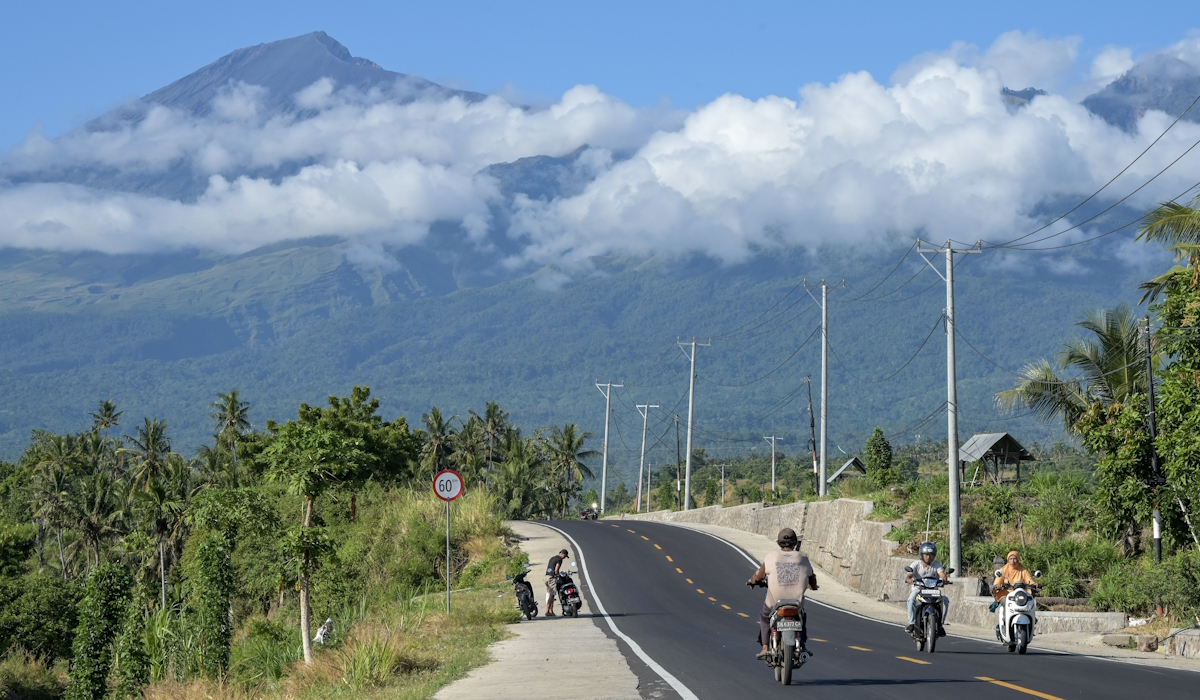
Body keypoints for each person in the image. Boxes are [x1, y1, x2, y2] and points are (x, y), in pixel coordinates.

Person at [747, 528, 817, 660]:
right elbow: (811, 576)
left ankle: (765, 647)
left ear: (779, 543)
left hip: (775, 602)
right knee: (802, 617)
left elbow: (759, 575)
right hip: (796, 603)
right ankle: (801, 645)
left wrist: (752, 581)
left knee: (764, 617)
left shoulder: (771, 557)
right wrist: (813, 586)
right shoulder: (803, 558)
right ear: (795, 543)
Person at [905, 542, 949, 637]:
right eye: (926, 555)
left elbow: (941, 573)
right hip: (919, 589)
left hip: (934, 591)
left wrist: (944, 579)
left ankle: (941, 624)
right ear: (922, 555)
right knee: (911, 599)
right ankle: (912, 623)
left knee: (945, 600)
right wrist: (909, 579)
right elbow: (910, 574)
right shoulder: (916, 564)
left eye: (931, 555)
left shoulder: (937, 564)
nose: (928, 557)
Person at [544, 548, 568, 616]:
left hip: (546, 577)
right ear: (562, 553)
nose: (564, 558)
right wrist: (558, 575)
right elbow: (556, 569)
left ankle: (551, 611)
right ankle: (547, 611)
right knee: (552, 595)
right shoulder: (559, 559)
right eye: (565, 556)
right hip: (552, 578)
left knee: (550, 594)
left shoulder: (552, 558)